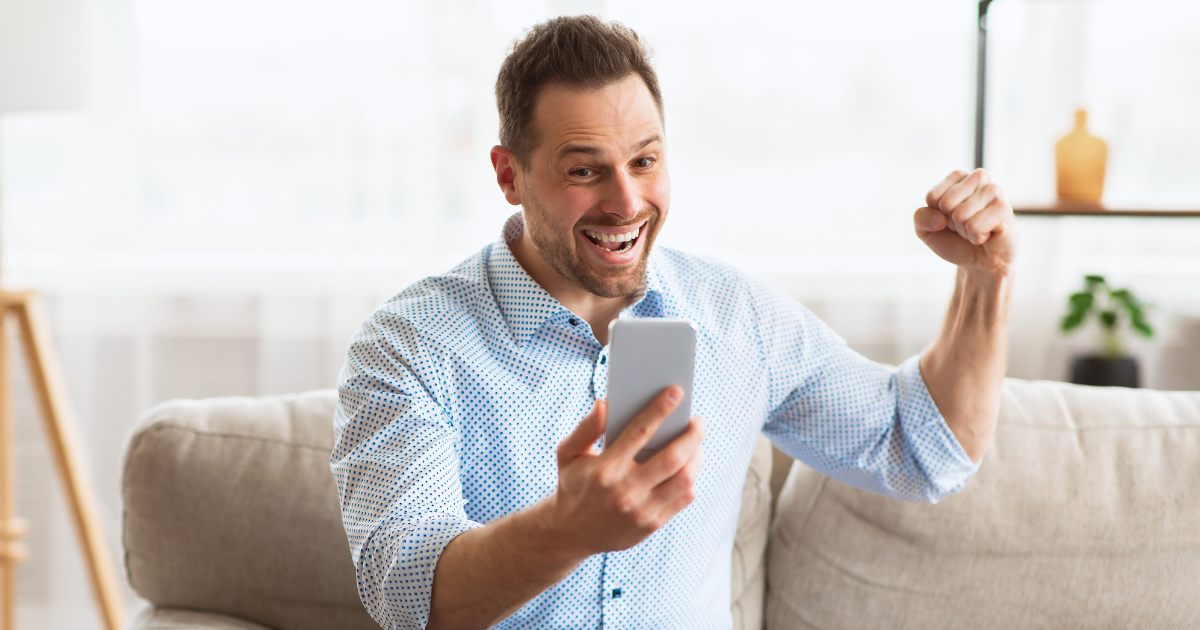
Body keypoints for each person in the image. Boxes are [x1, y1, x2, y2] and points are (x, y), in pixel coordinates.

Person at [331, 15, 1016, 630]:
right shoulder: (409, 346)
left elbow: (921, 450)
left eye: (644, 161)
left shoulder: (738, 318)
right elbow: (405, 596)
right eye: (585, 170)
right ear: (510, 176)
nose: (627, 201)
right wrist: (566, 531)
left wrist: (986, 279)